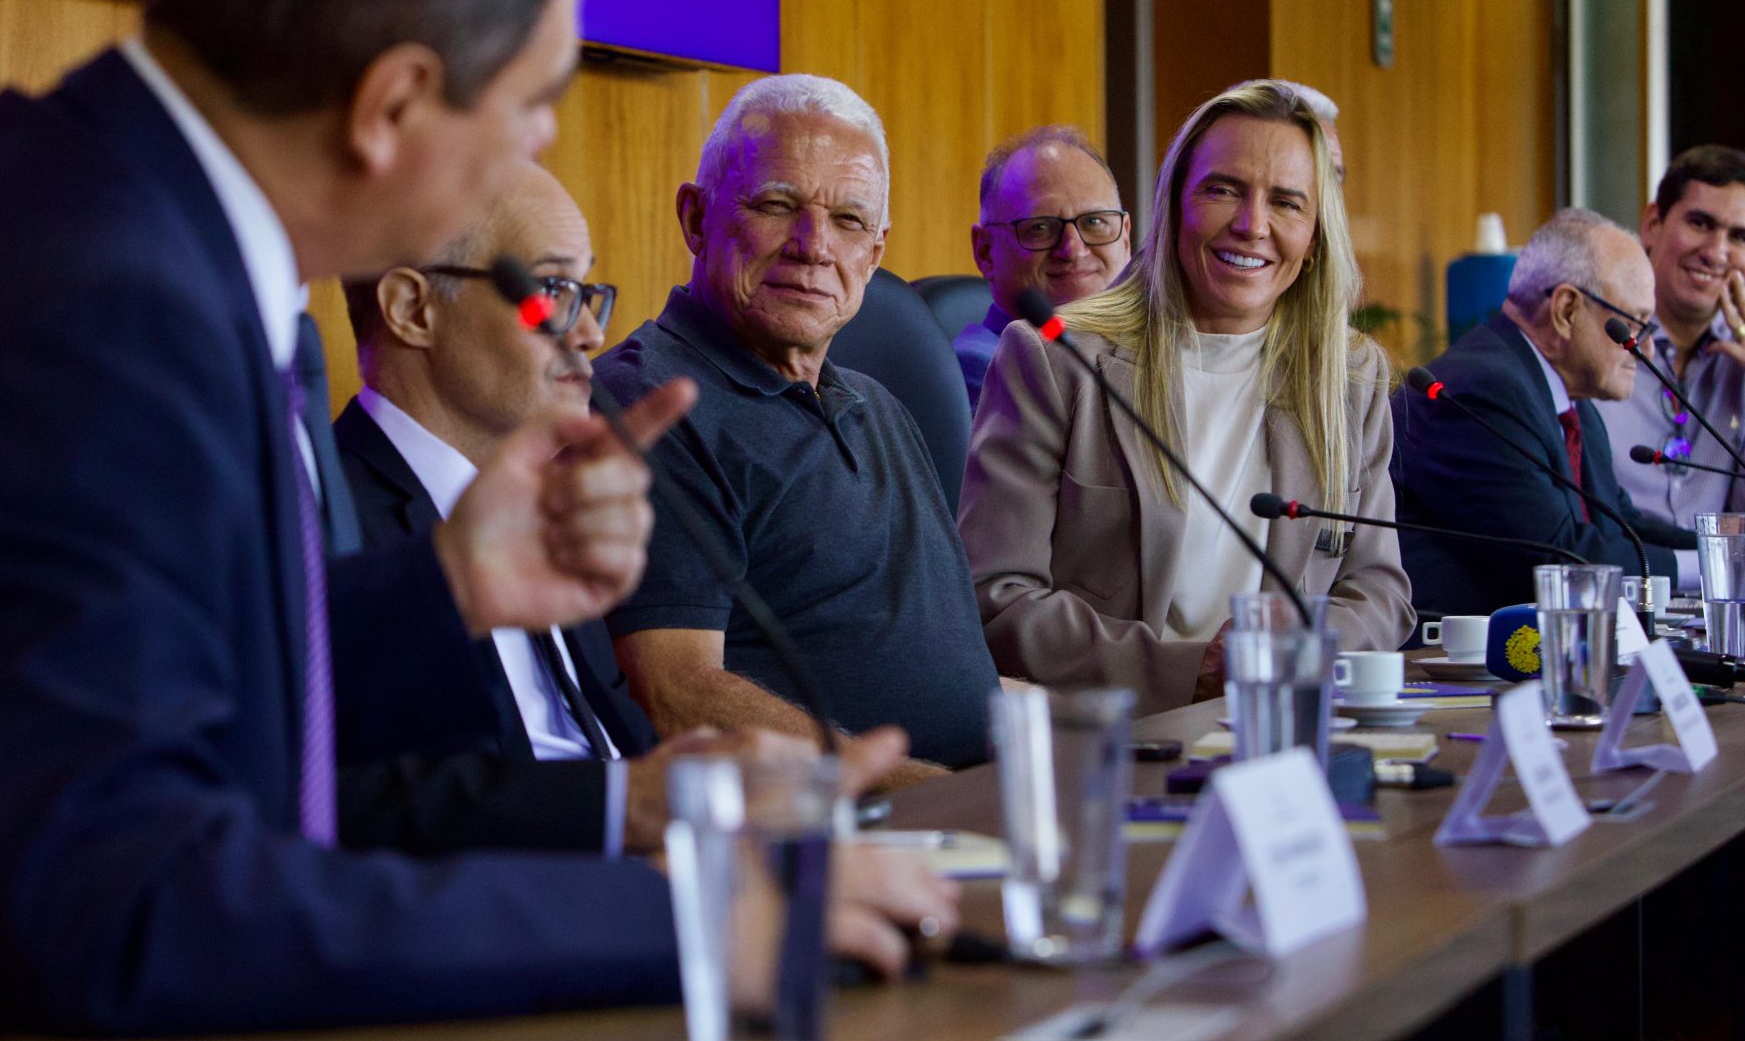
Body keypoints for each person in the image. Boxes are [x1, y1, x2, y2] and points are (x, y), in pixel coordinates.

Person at [0, 0, 953, 1037]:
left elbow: (168, 708)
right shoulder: (90, 315)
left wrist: (442, 593)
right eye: (527, 109)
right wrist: (693, 924)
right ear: (392, 103)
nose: (530, 154)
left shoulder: (74, 225)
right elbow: (140, 913)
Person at [335, 162, 902, 853]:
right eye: (551, 293)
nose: (588, 334)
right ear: (413, 309)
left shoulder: (557, 501)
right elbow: (361, 813)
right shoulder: (323, 524)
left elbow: (619, 750)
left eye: (587, 295)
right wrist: (635, 817)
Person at [958, 80, 1413, 715]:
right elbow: (994, 597)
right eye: (1223, 190)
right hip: (1120, 735)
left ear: (1313, 241)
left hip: (1292, 719)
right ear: (1174, 206)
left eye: (1286, 203)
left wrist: (1307, 647)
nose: (1252, 225)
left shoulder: (1348, 377)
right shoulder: (1056, 360)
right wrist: (1188, 671)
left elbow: (1379, 590)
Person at [598, 74, 1002, 783]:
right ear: (696, 218)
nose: (814, 246)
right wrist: (922, 789)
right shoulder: (648, 402)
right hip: (833, 828)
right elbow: (675, 692)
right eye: (779, 205)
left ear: (875, 255)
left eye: (849, 221)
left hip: (972, 796)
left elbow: (953, 676)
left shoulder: (881, 405)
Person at [1392, 208, 1695, 617]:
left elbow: (1621, 522)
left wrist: (1724, 551)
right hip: (1441, 666)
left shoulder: (1572, 402)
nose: (1648, 351)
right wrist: (1707, 570)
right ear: (1567, 310)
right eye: (1635, 326)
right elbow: (1559, 558)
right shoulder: (1483, 390)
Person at [1597, 146, 1745, 589]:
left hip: (1719, 620)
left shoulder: (1739, 360)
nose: (1716, 252)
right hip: (1619, 600)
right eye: (1700, 224)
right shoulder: (1597, 341)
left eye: (1739, 236)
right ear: (1653, 224)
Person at [956, 125, 1132, 408]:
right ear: (985, 251)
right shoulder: (988, 367)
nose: (1073, 249)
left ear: (1125, 238)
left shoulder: (1149, 352)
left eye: (1094, 222)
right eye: (1040, 228)